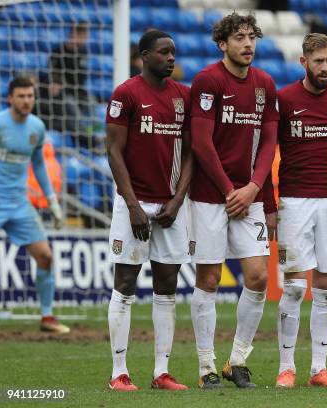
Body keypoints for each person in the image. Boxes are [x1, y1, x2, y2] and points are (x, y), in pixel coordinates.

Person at [188, 12, 278, 389]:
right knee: (208, 278)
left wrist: (255, 188)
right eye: (239, 37)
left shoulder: (265, 84)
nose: (247, 44)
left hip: (249, 195)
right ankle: (206, 366)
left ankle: (237, 361)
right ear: (222, 44)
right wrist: (230, 190)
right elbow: (201, 143)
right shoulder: (208, 81)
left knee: (258, 276)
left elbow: (270, 141)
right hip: (212, 197)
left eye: (251, 37)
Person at [266, 33, 327, 389]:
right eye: (319, 61)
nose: (326, 68)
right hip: (295, 202)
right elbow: (267, 152)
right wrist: (271, 204)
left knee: (325, 287)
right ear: (303, 62)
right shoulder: (285, 99)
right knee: (292, 287)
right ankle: (286, 368)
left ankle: (318, 369)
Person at [105, 30, 192, 392]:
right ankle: (119, 373)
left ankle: (161, 373)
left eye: (173, 52)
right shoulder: (125, 94)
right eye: (163, 52)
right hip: (134, 204)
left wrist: (177, 200)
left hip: (170, 206)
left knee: (167, 286)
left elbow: (192, 154)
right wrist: (132, 205)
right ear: (144, 56)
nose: (171, 58)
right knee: (125, 284)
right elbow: (113, 151)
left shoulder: (183, 97)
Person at [0, 77, 66, 334]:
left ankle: (47, 316)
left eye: (30, 96)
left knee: (45, 256)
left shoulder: (37, 127)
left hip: (19, 203)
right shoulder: (1, 123)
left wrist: (52, 202)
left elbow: (38, 164)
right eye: (21, 96)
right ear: (10, 98)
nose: (27, 101)